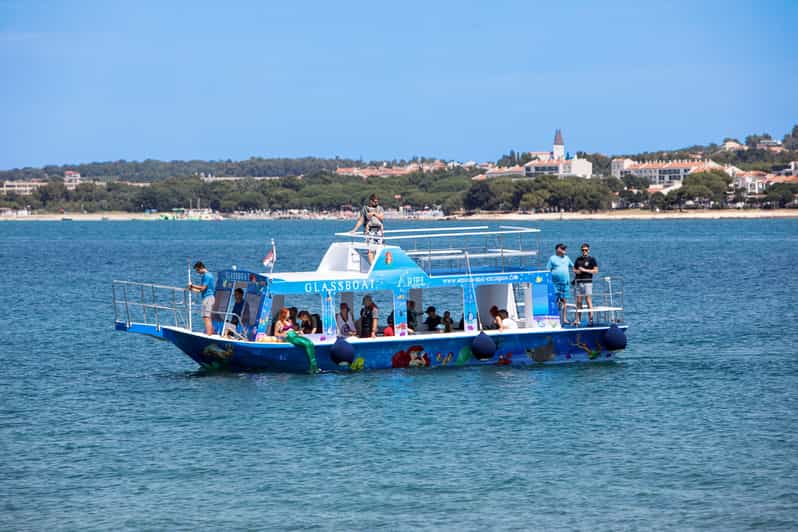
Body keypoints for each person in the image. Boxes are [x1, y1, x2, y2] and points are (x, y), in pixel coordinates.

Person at [351, 193, 385, 264]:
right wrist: (354, 230)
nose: (376, 203)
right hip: (369, 231)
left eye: (377, 201)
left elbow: (382, 217)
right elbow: (361, 220)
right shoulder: (365, 208)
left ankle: (375, 264)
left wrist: (374, 214)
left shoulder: (380, 208)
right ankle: (372, 265)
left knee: (379, 249)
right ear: (371, 201)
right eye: (375, 201)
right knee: (370, 249)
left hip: (378, 231)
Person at [546, 243, 574, 325]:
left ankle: (564, 319)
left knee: (564, 301)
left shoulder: (567, 258)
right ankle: (553, 318)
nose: (564, 250)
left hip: (565, 284)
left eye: (564, 249)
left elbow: (573, 267)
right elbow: (548, 270)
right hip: (555, 284)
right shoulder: (552, 258)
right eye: (562, 248)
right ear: (557, 249)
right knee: (554, 300)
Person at [573, 242, 599, 326]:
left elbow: (595, 271)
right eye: (583, 250)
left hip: (588, 282)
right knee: (579, 301)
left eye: (586, 250)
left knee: (588, 300)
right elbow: (574, 269)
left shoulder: (592, 259)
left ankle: (590, 320)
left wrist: (585, 270)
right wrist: (578, 271)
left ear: (588, 250)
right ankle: (578, 320)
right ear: (581, 250)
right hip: (579, 282)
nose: (584, 251)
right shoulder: (578, 259)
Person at [188, 261, 216, 336]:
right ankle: (210, 333)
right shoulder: (205, 276)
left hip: (208, 298)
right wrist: (192, 289)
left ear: (200, 268)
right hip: (206, 297)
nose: (197, 272)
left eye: (197, 270)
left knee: (206, 316)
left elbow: (203, 288)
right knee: (206, 316)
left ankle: (209, 334)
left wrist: (192, 285)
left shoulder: (207, 276)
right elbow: (201, 290)